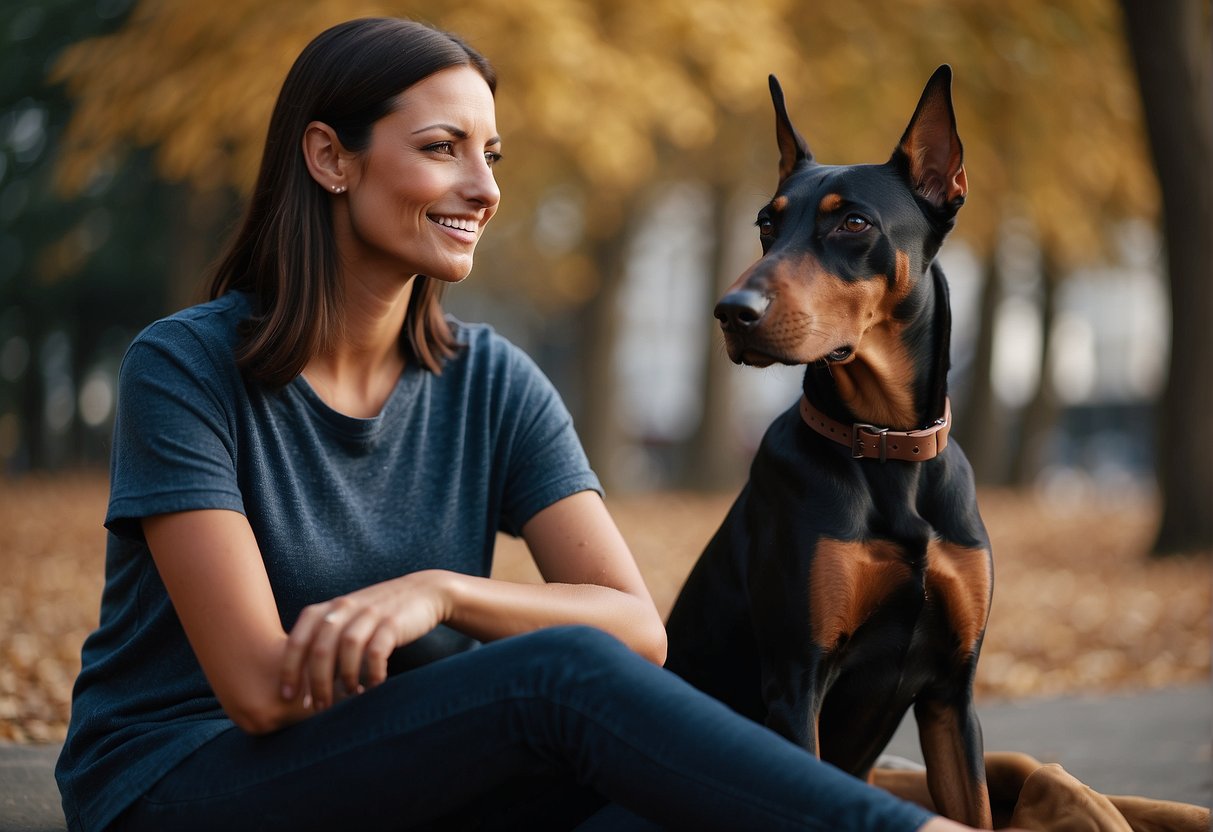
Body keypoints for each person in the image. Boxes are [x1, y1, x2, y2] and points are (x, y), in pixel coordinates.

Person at [55, 17, 998, 832]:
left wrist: (442, 594)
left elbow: (636, 628)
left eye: (490, 156)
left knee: (678, 803)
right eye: (441, 149)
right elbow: (261, 692)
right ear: (329, 158)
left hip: (399, 771)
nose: (484, 188)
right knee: (557, 677)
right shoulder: (185, 368)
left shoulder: (491, 377)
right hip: (186, 783)